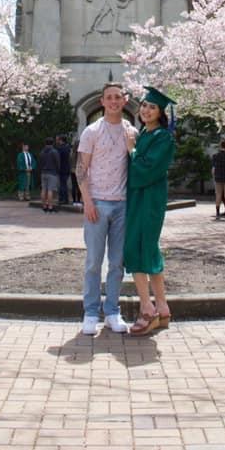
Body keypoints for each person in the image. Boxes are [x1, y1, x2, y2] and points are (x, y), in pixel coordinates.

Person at [76, 81, 137, 335]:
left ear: (124, 101)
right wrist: (87, 201)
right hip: (97, 204)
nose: (113, 101)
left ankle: (112, 311)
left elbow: (136, 165)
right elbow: (81, 169)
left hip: (122, 204)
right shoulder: (91, 131)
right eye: (109, 97)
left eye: (118, 97)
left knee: (116, 263)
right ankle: (91, 312)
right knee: (93, 261)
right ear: (102, 102)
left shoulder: (131, 131)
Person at [123, 86, 176, 335]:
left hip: (149, 199)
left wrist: (131, 150)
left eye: (152, 107)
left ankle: (147, 309)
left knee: (138, 248)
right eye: (144, 105)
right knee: (147, 249)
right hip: (138, 199)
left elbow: (145, 169)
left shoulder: (163, 138)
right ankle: (162, 307)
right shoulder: (145, 133)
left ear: (161, 113)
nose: (145, 110)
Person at [38, 137, 60, 213]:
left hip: (43, 172)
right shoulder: (54, 152)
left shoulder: (42, 152)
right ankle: (50, 206)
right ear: (52, 143)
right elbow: (57, 162)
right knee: (50, 190)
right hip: (52, 173)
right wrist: (57, 170)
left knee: (43, 189)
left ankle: (44, 206)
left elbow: (40, 163)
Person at [56, 135, 71, 205]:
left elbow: (58, 159)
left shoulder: (60, 149)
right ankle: (65, 199)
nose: (57, 141)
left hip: (61, 168)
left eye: (58, 139)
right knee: (64, 184)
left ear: (61, 140)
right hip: (67, 168)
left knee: (62, 185)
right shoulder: (68, 148)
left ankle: (62, 199)